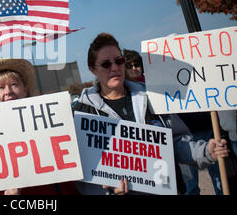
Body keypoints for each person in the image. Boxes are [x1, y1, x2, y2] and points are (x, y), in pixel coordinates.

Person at [72, 33, 229, 195]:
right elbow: (82, 172)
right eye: (106, 64)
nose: (114, 68)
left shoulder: (151, 97)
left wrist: (204, 152)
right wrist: (107, 190)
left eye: (118, 61)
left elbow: (175, 142)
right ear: (92, 69)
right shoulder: (81, 112)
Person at [0, 58, 78, 195]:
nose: (8, 91)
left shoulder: (49, 122)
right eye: (0, 87)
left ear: (25, 90)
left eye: (14, 84)